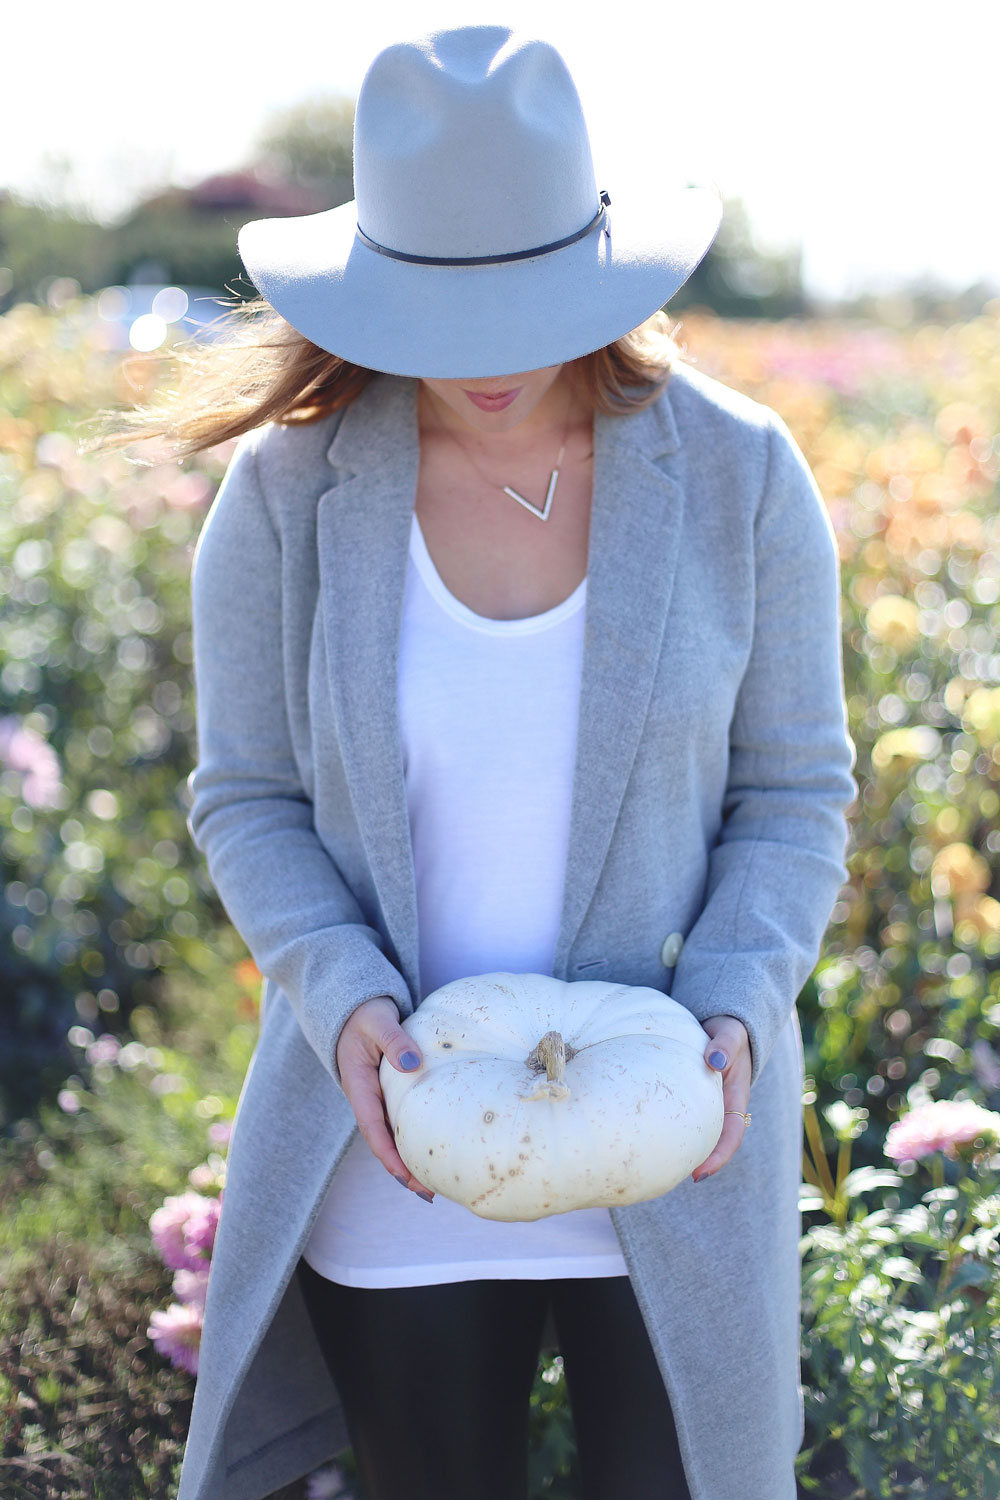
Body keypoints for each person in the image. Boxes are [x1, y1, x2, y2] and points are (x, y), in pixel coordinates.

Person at [84, 23, 857, 1500]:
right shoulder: (287, 494)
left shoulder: (742, 473)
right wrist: (341, 993)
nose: (489, 359)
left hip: (674, 1135)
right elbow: (245, 796)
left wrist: (738, 1007)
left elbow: (795, 793)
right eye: (442, 311)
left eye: (526, 304)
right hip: (396, 1139)